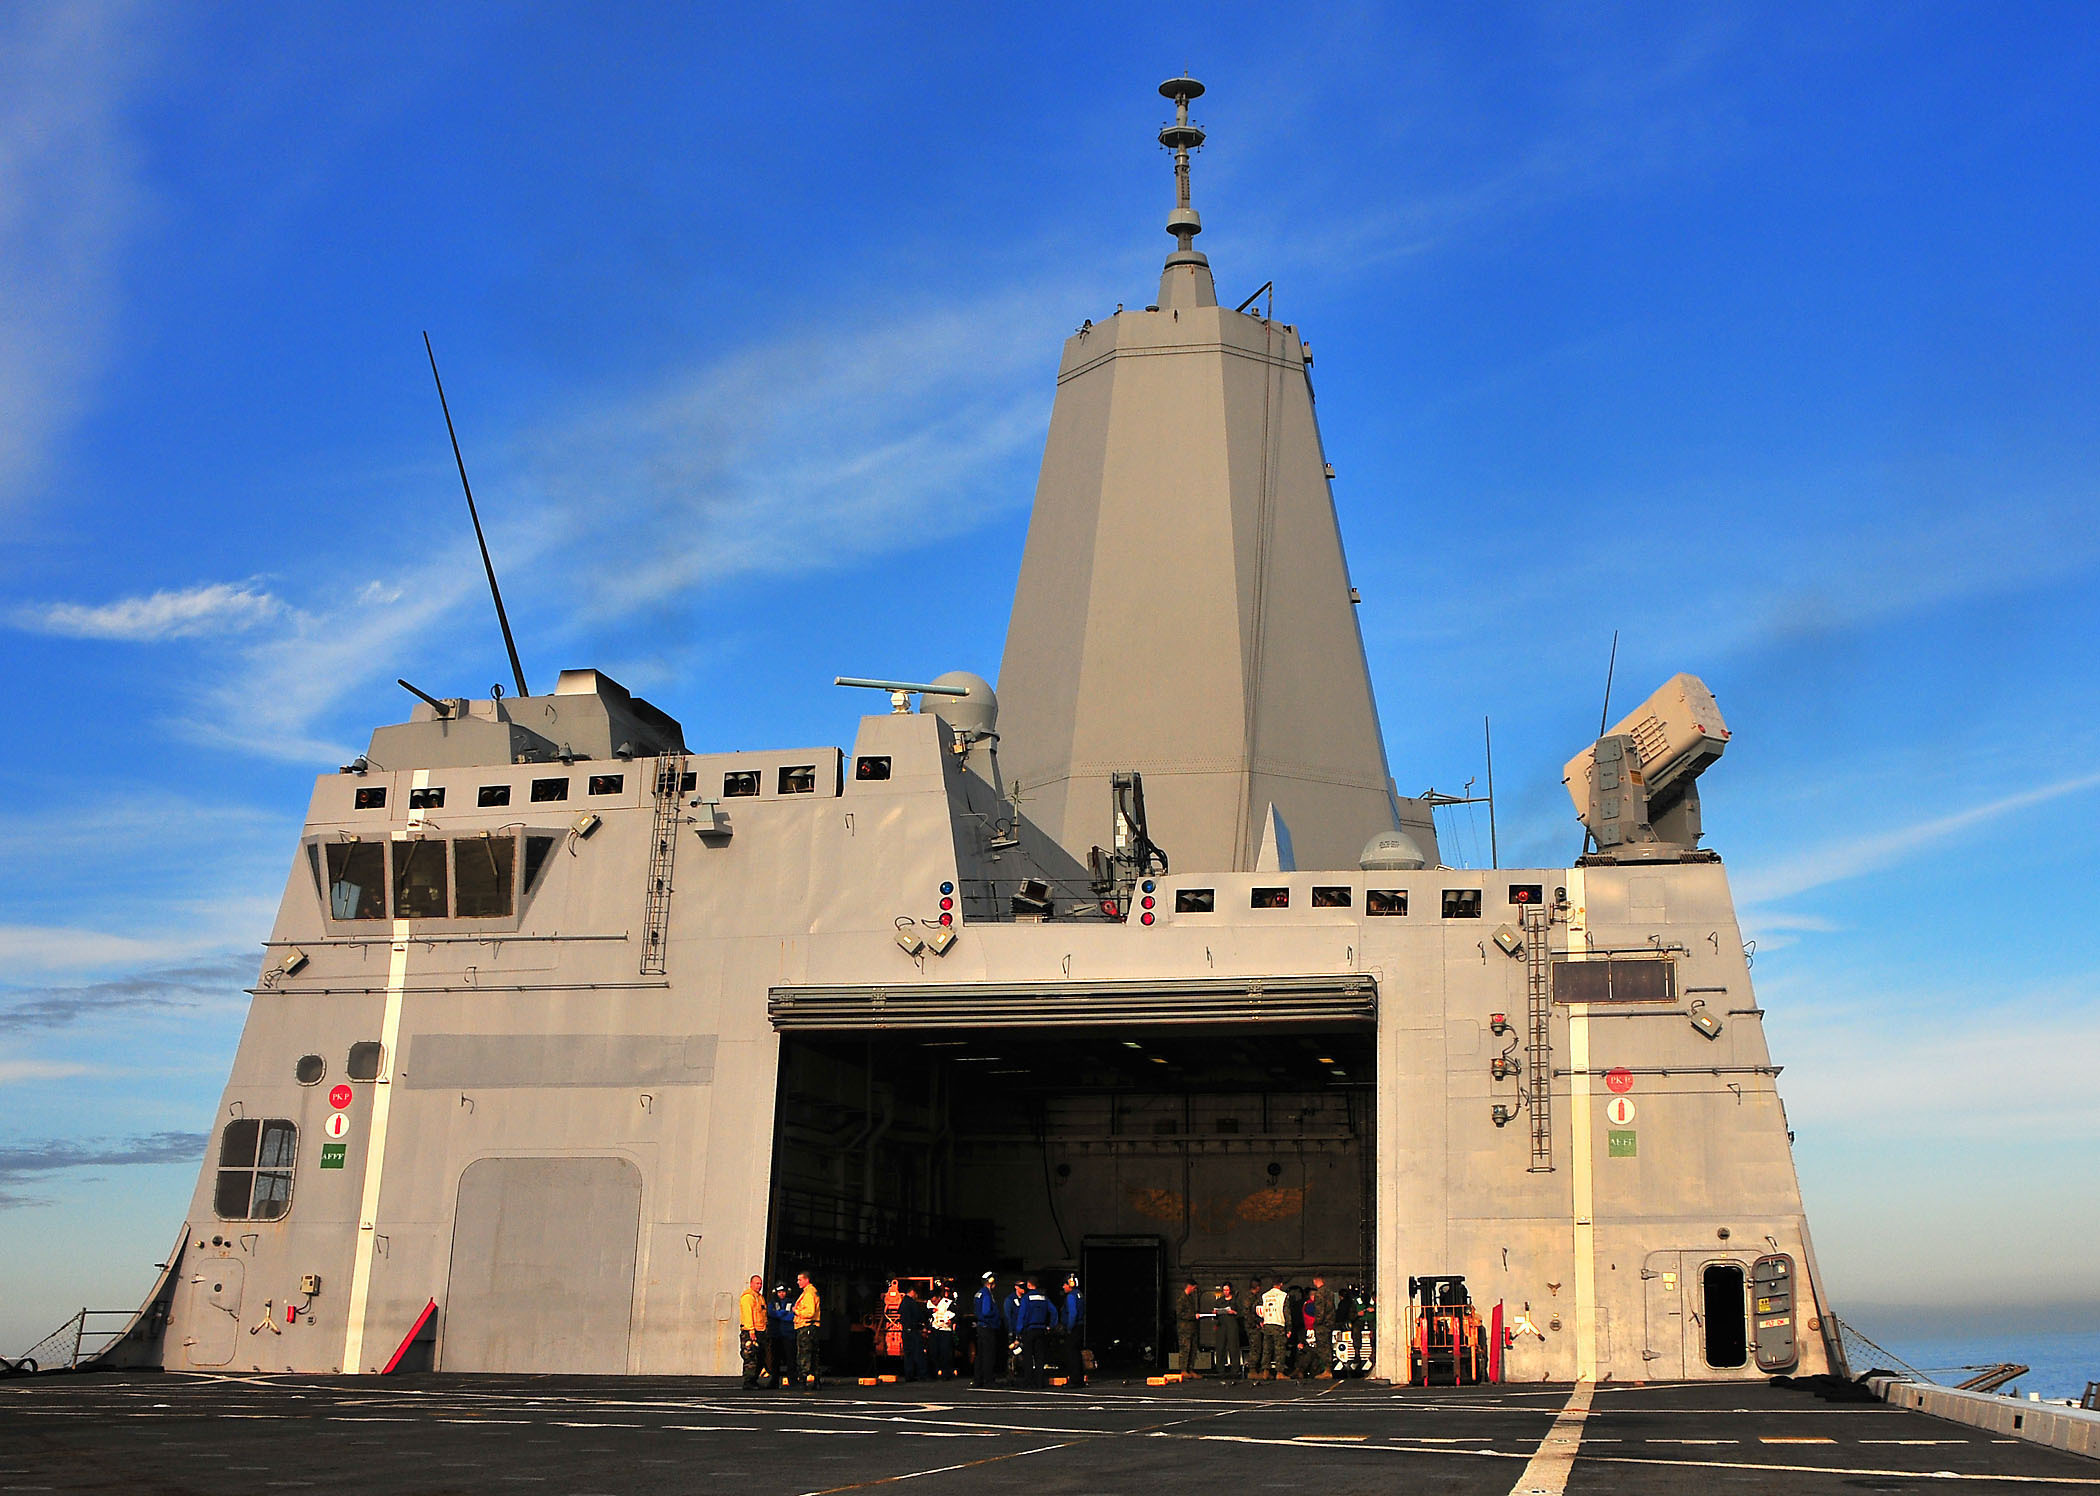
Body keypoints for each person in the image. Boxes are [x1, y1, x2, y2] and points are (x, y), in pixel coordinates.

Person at [1016, 1277, 1055, 1387]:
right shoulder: (1044, 1297)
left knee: (1028, 1356)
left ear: (1029, 1285)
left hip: (1029, 1329)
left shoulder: (1026, 1298)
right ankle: (1039, 1381)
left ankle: (1028, 1381)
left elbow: (1022, 1315)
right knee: (1040, 1356)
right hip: (1041, 1329)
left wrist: (1019, 1330)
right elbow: (1054, 1312)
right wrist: (1050, 1326)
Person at [973, 1272, 1004, 1387]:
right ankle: (988, 1380)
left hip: (981, 1327)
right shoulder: (987, 1294)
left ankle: (978, 1379)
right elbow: (986, 1311)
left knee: (980, 1355)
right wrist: (995, 1317)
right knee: (989, 1355)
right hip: (988, 1327)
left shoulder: (979, 1293)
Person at [737, 1274, 768, 1390]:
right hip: (750, 1331)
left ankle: (754, 1380)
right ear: (751, 1284)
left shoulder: (759, 1297)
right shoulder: (748, 1297)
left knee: (760, 1356)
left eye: (760, 1283)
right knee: (750, 1357)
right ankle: (748, 1381)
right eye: (757, 1283)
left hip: (760, 1330)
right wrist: (751, 1330)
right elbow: (747, 1314)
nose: (759, 1286)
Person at [793, 1271, 823, 1388]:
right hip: (811, 1327)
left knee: (805, 1354)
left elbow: (810, 1312)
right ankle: (816, 1380)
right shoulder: (809, 1292)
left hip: (806, 1327)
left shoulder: (809, 1294)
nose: (798, 1282)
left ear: (807, 1280)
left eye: (800, 1280)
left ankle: (804, 1380)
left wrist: (797, 1311)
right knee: (814, 1354)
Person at [1257, 1275, 1290, 1380]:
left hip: (1267, 1323)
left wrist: (1261, 1321)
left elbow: (1258, 1309)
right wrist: (1289, 1328)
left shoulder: (1265, 1295)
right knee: (1279, 1349)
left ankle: (1265, 1372)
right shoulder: (1283, 1295)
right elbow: (1287, 1313)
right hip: (1278, 1323)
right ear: (1281, 1284)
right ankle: (1279, 1372)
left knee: (1267, 1348)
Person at [1308, 1275, 1338, 1379]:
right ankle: (1328, 1368)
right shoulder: (1330, 1293)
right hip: (1330, 1323)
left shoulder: (1319, 1294)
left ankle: (1327, 1370)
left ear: (1315, 1280)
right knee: (1328, 1346)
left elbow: (1320, 1310)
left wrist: (1317, 1322)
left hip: (1322, 1325)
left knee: (1322, 1347)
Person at [1212, 1282, 1243, 1380]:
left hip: (1232, 1325)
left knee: (1233, 1347)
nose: (1225, 1292)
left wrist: (1234, 1312)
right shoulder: (1219, 1301)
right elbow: (1215, 1315)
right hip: (1221, 1325)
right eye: (1224, 1290)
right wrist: (1215, 1313)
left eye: (1227, 1290)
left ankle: (1235, 1369)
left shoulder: (1236, 1300)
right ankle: (1220, 1369)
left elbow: (1241, 1313)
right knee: (1220, 1347)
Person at [899, 1283, 929, 1382]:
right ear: (913, 1292)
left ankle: (909, 1375)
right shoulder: (911, 1303)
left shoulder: (903, 1303)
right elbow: (918, 1316)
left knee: (908, 1355)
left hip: (905, 1331)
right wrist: (923, 1323)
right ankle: (922, 1375)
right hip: (913, 1331)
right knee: (918, 1353)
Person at [1061, 1275, 1086, 1388]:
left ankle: (1074, 1380)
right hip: (1080, 1326)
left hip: (1074, 1327)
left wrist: (1069, 1327)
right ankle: (1079, 1379)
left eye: (1065, 1284)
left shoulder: (1071, 1296)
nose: (1063, 1287)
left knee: (1072, 1354)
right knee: (1077, 1354)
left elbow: (1073, 1313)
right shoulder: (1079, 1294)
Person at [768, 1284, 796, 1386]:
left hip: (789, 1334)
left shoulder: (792, 1302)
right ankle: (774, 1380)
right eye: (779, 1292)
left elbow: (793, 1316)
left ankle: (792, 1380)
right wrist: (784, 1313)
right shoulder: (773, 1302)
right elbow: (771, 1313)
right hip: (776, 1334)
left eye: (783, 1292)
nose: (782, 1294)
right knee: (775, 1359)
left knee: (791, 1358)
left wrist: (780, 1315)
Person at [929, 1281, 957, 1379]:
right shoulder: (929, 1304)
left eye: (935, 1301)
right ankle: (934, 1372)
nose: (934, 1303)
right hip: (935, 1330)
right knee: (933, 1352)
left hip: (945, 1330)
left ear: (938, 1298)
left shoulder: (948, 1303)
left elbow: (956, 1314)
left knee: (945, 1353)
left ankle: (947, 1373)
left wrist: (951, 1321)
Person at [1175, 1280, 1201, 1378]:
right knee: (1185, 1349)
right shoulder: (1182, 1298)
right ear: (1189, 1286)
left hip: (1192, 1328)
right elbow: (1180, 1313)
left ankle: (1190, 1369)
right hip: (1184, 1329)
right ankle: (1183, 1370)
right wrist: (1193, 1316)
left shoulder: (1190, 1298)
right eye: (1194, 1288)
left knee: (1193, 1349)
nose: (1195, 1290)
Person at [1003, 1280, 1027, 1384]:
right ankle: (1011, 1374)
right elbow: (1008, 1317)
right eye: (1021, 1287)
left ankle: (1022, 1374)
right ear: (1016, 1287)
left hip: (1024, 1330)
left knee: (1024, 1352)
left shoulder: (1025, 1299)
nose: (1023, 1289)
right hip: (1014, 1330)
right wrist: (1011, 1332)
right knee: (1013, 1353)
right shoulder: (1010, 1300)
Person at [1239, 1278, 1263, 1377]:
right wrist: (1255, 1323)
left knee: (1257, 1347)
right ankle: (1252, 1369)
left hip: (1253, 1325)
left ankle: (1255, 1368)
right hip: (1252, 1327)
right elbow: (1247, 1313)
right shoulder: (1249, 1298)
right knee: (1255, 1347)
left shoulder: (1251, 1297)